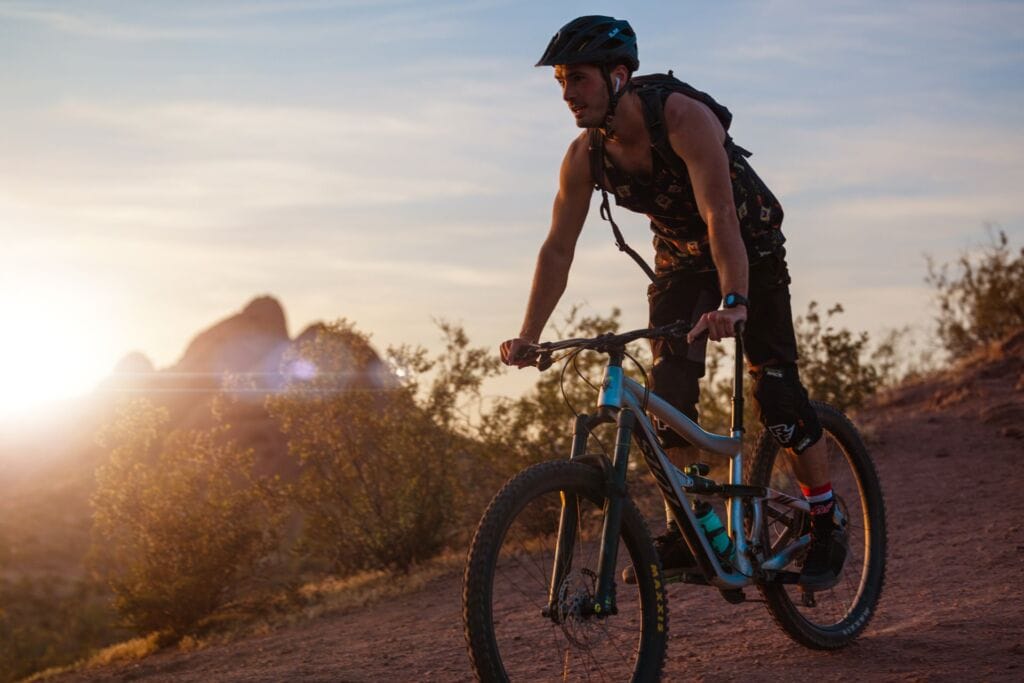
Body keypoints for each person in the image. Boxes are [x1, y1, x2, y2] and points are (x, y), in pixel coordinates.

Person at [499, 15, 846, 589]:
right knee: (670, 394)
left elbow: (721, 214)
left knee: (778, 394)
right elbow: (558, 249)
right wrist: (530, 333)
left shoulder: (682, 117)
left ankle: (825, 518)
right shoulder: (584, 155)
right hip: (682, 263)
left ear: (617, 77)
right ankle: (693, 527)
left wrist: (735, 300)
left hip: (749, 248)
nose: (566, 94)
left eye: (577, 79)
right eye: (560, 81)